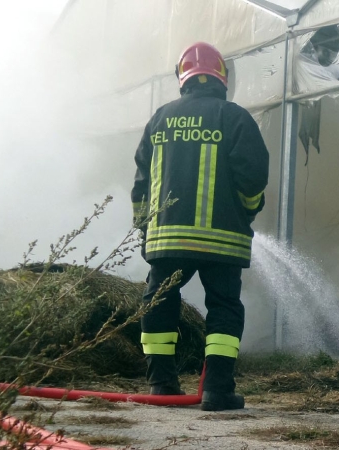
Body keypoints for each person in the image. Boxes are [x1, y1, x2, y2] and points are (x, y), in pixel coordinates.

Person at [131, 42, 269, 411]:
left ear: (183, 78)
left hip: (167, 238)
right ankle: (217, 391)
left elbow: (141, 182)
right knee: (224, 307)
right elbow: (254, 178)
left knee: (158, 303)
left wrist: (144, 229)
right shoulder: (234, 117)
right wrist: (248, 211)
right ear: (221, 77)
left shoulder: (159, 119)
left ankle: (161, 384)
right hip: (222, 240)